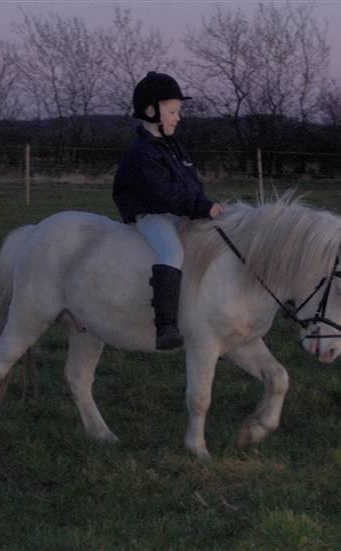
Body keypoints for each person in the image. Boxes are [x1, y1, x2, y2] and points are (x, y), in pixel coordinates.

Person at [113, 71, 224, 350]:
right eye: (173, 111)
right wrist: (202, 207)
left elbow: (190, 185)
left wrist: (206, 206)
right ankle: (166, 327)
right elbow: (165, 193)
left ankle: (208, 321)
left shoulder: (173, 147)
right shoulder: (144, 151)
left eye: (178, 111)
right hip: (151, 215)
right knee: (172, 252)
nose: (178, 117)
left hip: (175, 213)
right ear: (151, 111)